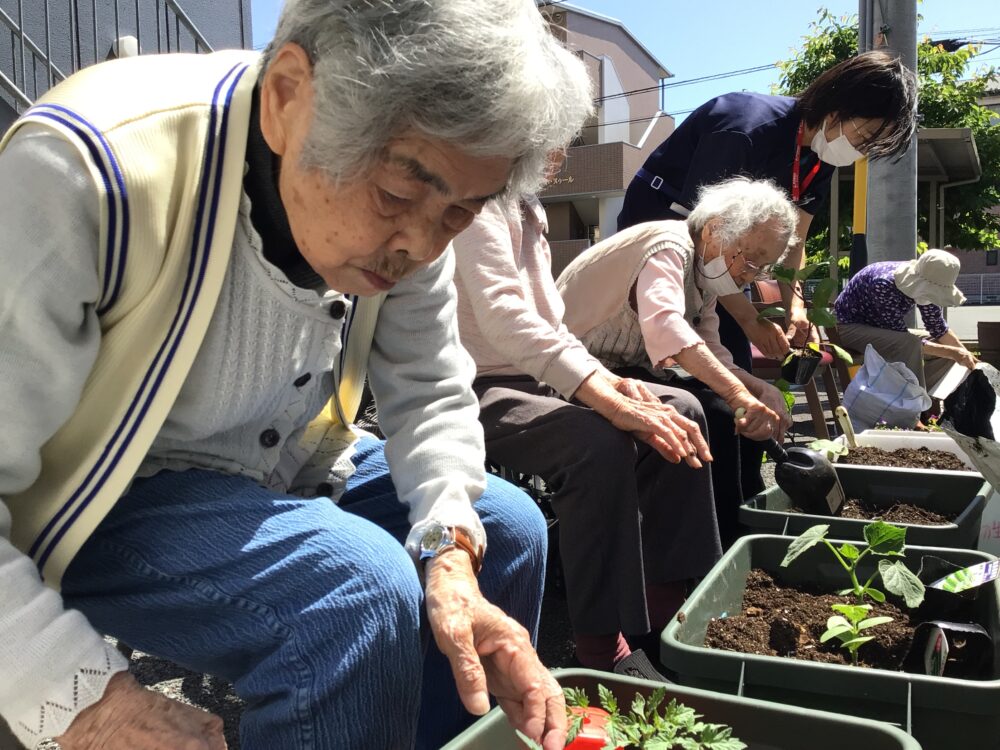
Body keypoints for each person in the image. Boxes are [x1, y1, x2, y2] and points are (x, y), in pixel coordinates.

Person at [0, 2, 593, 748]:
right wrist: (86, 702)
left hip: (286, 456)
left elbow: (432, 389)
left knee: (505, 533)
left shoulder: (414, 229)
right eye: (397, 196)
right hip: (100, 488)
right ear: (287, 96)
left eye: (460, 213)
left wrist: (448, 551)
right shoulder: (88, 166)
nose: (418, 243)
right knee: (353, 593)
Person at [452, 189, 721, 671]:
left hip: (541, 374)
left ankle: (669, 619)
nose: (557, 149)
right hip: (475, 382)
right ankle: (601, 648)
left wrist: (612, 383)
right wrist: (605, 399)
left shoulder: (529, 206)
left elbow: (552, 326)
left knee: (682, 408)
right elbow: (504, 316)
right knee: (596, 444)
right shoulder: (479, 198)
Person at [617, 50, 917, 368]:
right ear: (840, 106)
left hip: (723, 251)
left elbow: (795, 239)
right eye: (866, 137)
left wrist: (796, 309)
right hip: (662, 225)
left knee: (732, 359)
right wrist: (749, 319)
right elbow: (704, 238)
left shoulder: (820, 157)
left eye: (871, 147)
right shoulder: (745, 128)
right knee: (653, 344)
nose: (861, 152)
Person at [557, 178, 797, 546]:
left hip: (622, 369)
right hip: (575, 369)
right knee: (713, 412)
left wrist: (756, 388)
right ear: (715, 229)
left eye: (760, 268)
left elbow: (710, 348)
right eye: (749, 260)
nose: (748, 276)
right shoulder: (668, 246)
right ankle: (714, 547)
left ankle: (743, 533)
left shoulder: (705, 270)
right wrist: (737, 394)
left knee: (738, 418)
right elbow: (666, 327)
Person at [834, 249, 977, 393]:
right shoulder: (882, 284)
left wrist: (967, 357)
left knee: (941, 345)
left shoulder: (925, 275)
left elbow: (938, 327)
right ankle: (914, 402)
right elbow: (901, 338)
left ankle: (919, 396)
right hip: (848, 329)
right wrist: (953, 353)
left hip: (883, 329)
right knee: (911, 343)